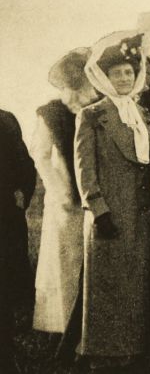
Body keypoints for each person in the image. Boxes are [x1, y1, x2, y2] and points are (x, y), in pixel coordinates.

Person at [73, 31, 150, 372]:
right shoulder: (93, 115)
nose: (124, 78)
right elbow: (84, 167)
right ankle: (103, 353)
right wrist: (98, 209)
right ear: (105, 78)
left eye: (128, 73)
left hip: (141, 213)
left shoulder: (144, 115)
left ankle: (133, 348)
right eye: (117, 74)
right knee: (108, 284)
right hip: (109, 212)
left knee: (136, 282)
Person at [30, 47, 98, 334]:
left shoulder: (93, 110)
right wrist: (62, 192)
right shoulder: (52, 114)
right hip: (63, 196)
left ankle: (86, 322)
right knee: (63, 256)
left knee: (89, 257)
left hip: (90, 195)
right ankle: (59, 322)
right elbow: (41, 155)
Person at [0, 109, 36, 374]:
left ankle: (5, 350)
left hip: (5, 218)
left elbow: (25, 165)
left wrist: (22, 195)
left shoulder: (6, 120)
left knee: (5, 286)